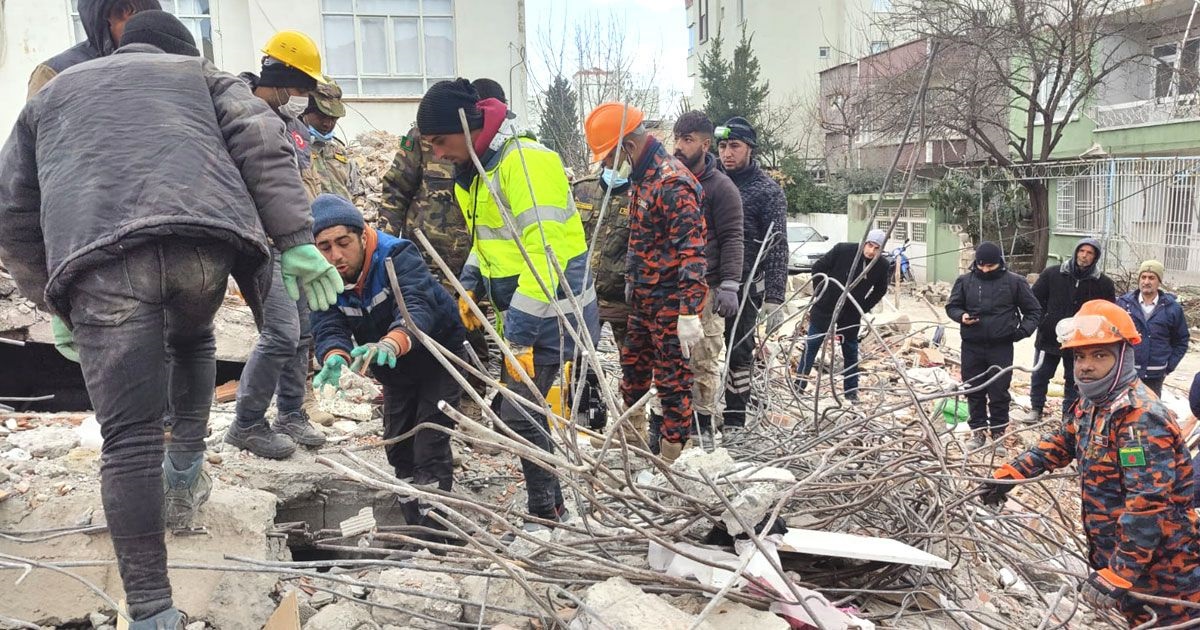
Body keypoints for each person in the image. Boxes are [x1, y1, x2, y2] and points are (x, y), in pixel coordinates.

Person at [0, 12, 341, 627]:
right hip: (203, 245)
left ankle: (153, 611)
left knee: (126, 440)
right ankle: (184, 475)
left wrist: (51, 297)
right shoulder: (203, 76)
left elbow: (15, 207)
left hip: (99, 259)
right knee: (193, 337)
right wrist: (294, 236)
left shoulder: (51, 94)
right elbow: (260, 143)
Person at [417, 78, 598, 527]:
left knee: (519, 416)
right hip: (523, 317)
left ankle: (546, 515)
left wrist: (517, 336)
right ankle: (553, 509)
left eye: (441, 141)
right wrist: (470, 283)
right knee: (527, 416)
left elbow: (545, 255)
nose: (437, 154)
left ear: (467, 124)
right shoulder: (475, 173)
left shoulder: (526, 164)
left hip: (557, 317)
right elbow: (491, 241)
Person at [980, 300, 1200, 627]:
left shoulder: (1139, 418)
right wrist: (1013, 472)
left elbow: (1147, 504)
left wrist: (1121, 572)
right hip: (1122, 557)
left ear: (1123, 356)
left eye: (1099, 355)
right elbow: (1063, 440)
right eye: (1080, 356)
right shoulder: (1096, 401)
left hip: (1163, 568)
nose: (1085, 366)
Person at [308, 195, 464, 538]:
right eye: (324, 247)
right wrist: (334, 355)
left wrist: (391, 342)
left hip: (439, 358)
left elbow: (417, 308)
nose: (335, 256)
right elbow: (327, 323)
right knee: (397, 446)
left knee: (429, 443)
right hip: (394, 371)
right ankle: (415, 529)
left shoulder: (397, 255)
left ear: (363, 235)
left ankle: (438, 535)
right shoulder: (322, 275)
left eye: (343, 243)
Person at [224, 30, 331, 460]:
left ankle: (291, 413)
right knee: (282, 333)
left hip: (293, 241)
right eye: (303, 89)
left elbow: (297, 184)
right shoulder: (235, 109)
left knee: (303, 331)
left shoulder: (292, 125)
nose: (304, 98)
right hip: (258, 241)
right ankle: (247, 423)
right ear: (284, 79)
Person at [584, 103, 707, 462]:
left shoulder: (673, 183)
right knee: (633, 370)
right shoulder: (643, 178)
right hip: (641, 302)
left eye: (608, 157)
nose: (606, 166)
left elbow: (693, 254)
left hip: (670, 306)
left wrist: (689, 312)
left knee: (672, 383)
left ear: (629, 147)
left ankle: (674, 453)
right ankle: (631, 436)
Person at [671, 111, 744, 446]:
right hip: (671, 289)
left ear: (704, 143)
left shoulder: (721, 188)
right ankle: (673, 432)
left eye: (687, 140)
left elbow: (732, 237)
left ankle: (703, 433)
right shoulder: (670, 180)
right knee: (671, 364)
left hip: (708, 290)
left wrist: (730, 283)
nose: (679, 147)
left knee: (703, 362)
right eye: (677, 139)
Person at [718, 116, 788, 432]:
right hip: (709, 281)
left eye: (734, 146)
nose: (727, 153)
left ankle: (734, 420)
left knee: (739, 351)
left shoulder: (767, 191)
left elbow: (777, 245)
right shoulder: (710, 181)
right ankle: (699, 418)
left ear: (750, 148)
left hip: (747, 286)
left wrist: (775, 297)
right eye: (722, 146)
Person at [945, 242, 1042, 450]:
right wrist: (961, 316)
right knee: (974, 389)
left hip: (1001, 346)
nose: (985, 270)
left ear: (999, 262)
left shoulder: (1015, 282)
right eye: (981, 266)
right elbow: (952, 306)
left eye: (990, 266)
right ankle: (977, 432)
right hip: (971, 345)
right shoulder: (965, 281)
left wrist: (1021, 332)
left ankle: (998, 433)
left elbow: (1034, 311)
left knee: (999, 391)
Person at [573, 165, 635, 436]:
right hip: (585, 297)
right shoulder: (582, 190)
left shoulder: (640, 194)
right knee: (579, 362)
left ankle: (631, 428)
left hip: (625, 300)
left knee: (634, 367)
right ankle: (588, 423)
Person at [1026, 238, 1116, 422]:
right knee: (1041, 374)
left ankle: (1069, 415)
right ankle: (1036, 408)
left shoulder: (1102, 283)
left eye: (1089, 253)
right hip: (1049, 337)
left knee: (1074, 379)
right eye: (1082, 251)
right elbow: (1034, 300)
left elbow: (1107, 312)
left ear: (1095, 257)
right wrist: (1044, 321)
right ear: (1076, 252)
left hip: (1080, 341)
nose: (1084, 255)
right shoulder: (1053, 274)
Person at [795, 230, 891, 401]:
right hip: (826, 307)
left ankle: (851, 393)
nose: (871, 251)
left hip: (851, 314)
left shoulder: (882, 264)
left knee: (850, 350)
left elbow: (880, 290)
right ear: (864, 242)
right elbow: (818, 268)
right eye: (869, 245)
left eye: (876, 248)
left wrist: (862, 305)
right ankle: (798, 387)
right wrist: (822, 293)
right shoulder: (843, 250)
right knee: (812, 345)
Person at [27, 0, 161, 98]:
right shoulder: (53, 73)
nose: (142, 24)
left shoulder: (163, 63)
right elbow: (37, 132)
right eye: (129, 10)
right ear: (104, 18)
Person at [1116, 260, 1189, 397]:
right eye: (1143, 277)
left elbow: (1181, 340)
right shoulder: (1124, 304)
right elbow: (1113, 334)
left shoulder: (1172, 308)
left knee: (1150, 414)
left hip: (1155, 375)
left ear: (1159, 281)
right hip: (1127, 373)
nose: (1146, 282)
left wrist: (1168, 366)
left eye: (1151, 278)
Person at [302, 80, 365, 203]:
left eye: (333, 119)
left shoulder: (338, 149)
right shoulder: (294, 146)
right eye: (321, 117)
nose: (327, 124)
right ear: (305, 112)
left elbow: (351, 192)